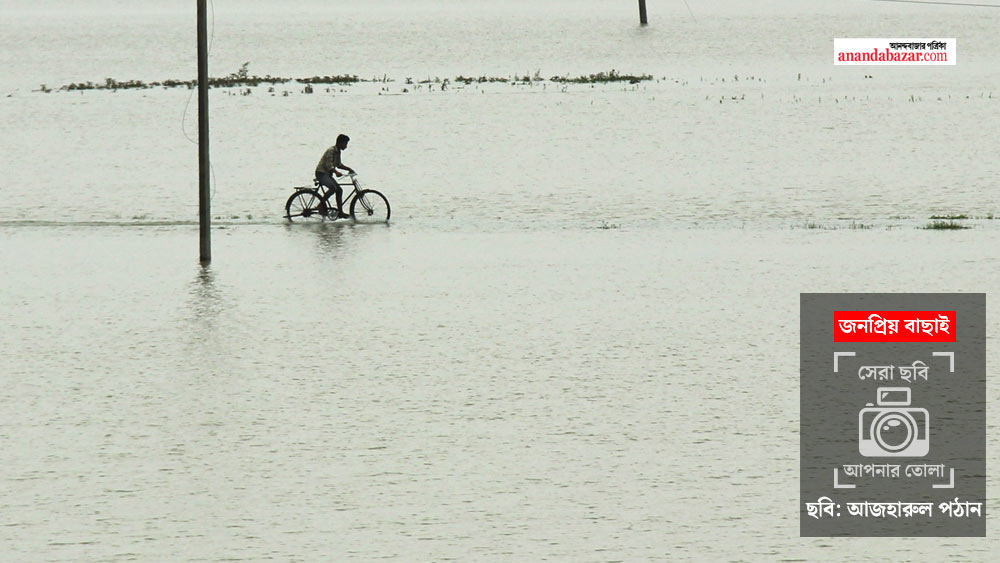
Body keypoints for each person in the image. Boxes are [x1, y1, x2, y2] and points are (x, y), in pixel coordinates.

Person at [315, 134, 356, 218]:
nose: (346, 146)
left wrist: (349, 169)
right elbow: (328, 165)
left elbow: (338, 164)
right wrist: (336, 172)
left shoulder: (337, 151)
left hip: (327, 174)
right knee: (333, 188)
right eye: (345, 144)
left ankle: (340, 212)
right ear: (340, 143)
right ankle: (320, 205)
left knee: (339, 190)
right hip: (321, 173)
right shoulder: (331, 150)